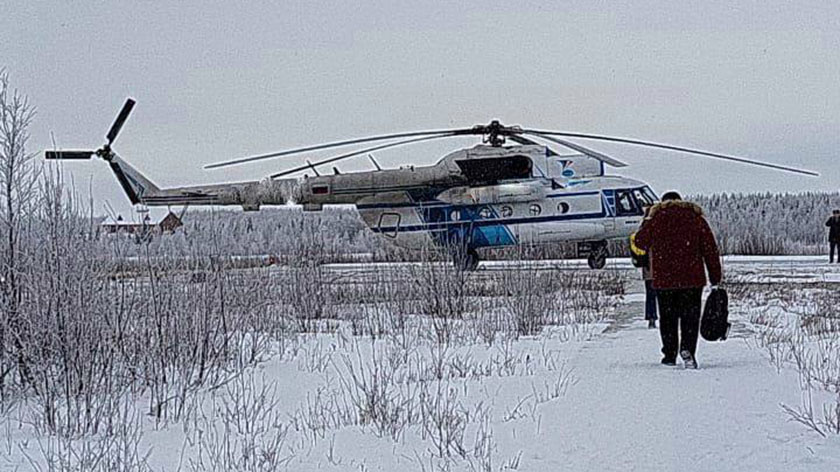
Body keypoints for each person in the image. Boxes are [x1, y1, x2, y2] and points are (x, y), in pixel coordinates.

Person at [634, 191, 722, 369]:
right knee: (690, 317)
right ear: (680, 201)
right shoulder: (695, 218)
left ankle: (669, 354)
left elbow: (640, 242)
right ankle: (688, 350)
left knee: (668, 319)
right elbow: (710, 249)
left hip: (665, 280)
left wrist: (648, 219)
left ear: (663, 203)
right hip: (692, 279)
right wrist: (715, 278)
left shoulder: (657, 218)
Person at [630, 207, 657, 329]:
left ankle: (651, 318)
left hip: (648, 268)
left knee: (650, 295)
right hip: (662, 268)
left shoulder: (643, 228)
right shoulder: (662, 226)